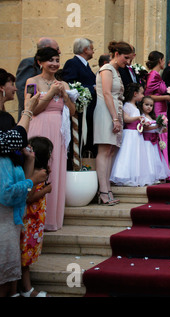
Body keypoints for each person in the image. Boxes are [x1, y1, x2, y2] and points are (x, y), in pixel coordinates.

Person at [25, 47, 76, 231]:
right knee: (38, 168)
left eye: (57, 60)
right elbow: (31, 109)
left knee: (55, 170)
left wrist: (63, 94)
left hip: (59, 131)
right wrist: (50, 95)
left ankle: (52, 219)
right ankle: (33, 216)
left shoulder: (64, 84)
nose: (54, 64)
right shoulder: (32, 81)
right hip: (39, 128)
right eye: (50, 60)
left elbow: (72, 111)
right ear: (40, 62)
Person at [0, 111, 48, 297]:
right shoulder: (2, 160)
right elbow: (7, 193)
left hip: (12, 222)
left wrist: (30, 161)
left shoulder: (9, 157)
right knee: (3, 280)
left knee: (11, 278)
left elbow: (24, 187)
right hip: (3, 223)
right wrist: (33, 180)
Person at [94, 41, 134, 206]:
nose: (128, 62)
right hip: (106, 113)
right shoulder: (107, 69)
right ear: (116, 54)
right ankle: (103, 191)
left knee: (111, 151)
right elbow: (106, 93)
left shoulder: (116, 70)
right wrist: (115, 118)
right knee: (104, 150)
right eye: (126, 58)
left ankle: (107, 188)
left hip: (114, 112)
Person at [20, 136, 53, 297]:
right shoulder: (33, 173)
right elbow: (29, 197)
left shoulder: (40, 171)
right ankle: (27, 289)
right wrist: (45, 190)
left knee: (29, 253)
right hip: (29, 219)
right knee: (25, 256)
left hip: (36, 220)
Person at [110, 83, 156, 187]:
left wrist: (144, 122)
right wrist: (138, 119)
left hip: (137, 134)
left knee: (136, 155)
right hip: (130, 134)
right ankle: (124, 176)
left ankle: (135, 176)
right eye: (142, 93)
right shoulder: (127, 105)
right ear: (135, 94)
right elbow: (126, 119)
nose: (143, 96)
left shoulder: (136, 107)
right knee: (127, 154)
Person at [62, 38, 98, 164]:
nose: (93, 52)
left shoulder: (85, 65)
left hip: (89, 109)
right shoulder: (72, 63)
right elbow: (70, 84)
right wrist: (92, 88)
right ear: (85, 49)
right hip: (79, 110)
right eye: (92, 48)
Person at [145, 51, 170, 168]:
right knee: (161, 138)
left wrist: (169, 97)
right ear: (160, 61)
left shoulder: (157, 75)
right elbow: (147, 96)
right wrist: (166, 97)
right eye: (163, 60)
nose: (164, 62)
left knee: (163, 138)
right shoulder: (154, 75)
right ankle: (161, 168)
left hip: (163, 110)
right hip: (157, 111)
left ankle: (163, 168)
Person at [15, 38, 60, 120]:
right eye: (57, 49)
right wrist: (28, 112)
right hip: (33, 118)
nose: (59, 51)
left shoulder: (57, 78)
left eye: (57, 61)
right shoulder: (29, 63)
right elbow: (23, 92)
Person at [0, 69, 40, 153]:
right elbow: (18, 138)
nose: (15, 89)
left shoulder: (6, 116)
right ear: (1, 87)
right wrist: (28, 109)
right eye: (12, 84)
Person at [140, 96, 170, 183]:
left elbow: (156, 129)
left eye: (151, 105)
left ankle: (154, 176)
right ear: (141, 105)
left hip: (154, 141)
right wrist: (156, 126)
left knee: (155, 159)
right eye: (146, 104)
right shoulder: (142, 117)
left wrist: (162, 128)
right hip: (146, 141)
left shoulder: (152, 117)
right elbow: (143, 128)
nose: (149, 107)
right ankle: (148, 176)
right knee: (148, 159)